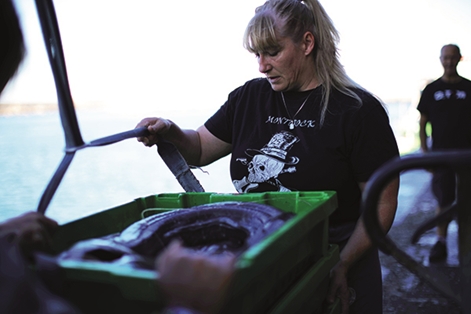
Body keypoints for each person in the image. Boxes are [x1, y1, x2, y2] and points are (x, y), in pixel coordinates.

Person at [136, 0, 400, 313]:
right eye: (257, 54)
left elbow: (382, 203)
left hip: (341, 258)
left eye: (272, 52)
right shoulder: (249, 97)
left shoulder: (357, 110)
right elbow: (201, 149)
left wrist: (342, 264)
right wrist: (170, 131)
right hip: (268, 259)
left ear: (306, 43)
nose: (262, 66)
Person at [417, 44, 471, 262]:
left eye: (452, 57)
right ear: (441, 59)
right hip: (440, 156)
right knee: (443, 199)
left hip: (467, 157)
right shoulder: (431, 90)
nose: (449, 61)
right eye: (445, 57)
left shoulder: (469, 88)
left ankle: (466, 246)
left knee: (467, 200)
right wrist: (424, 151)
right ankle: (441, 242)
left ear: (460, 58)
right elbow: (422, 124)